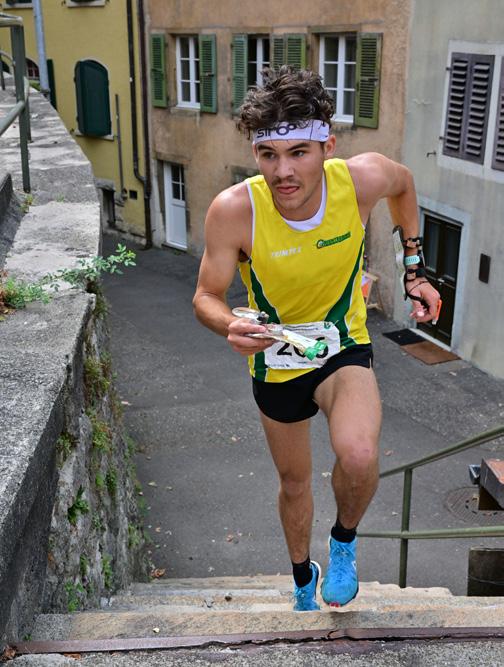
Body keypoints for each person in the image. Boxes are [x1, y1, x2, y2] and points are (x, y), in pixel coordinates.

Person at [192, 66, 440, 611]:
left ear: (328, 146)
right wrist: (229, 323)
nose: (283, 171)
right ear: (256, 153)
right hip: (275, 358)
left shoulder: (362, 179)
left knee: (359, 452)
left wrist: (414, 270)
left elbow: (403, 185)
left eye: (298, 153)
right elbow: (206, 295)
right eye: (268, 155)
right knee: (294, 483)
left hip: (341, 344)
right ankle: (303, 576)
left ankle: (344, 542)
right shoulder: (235, 210)